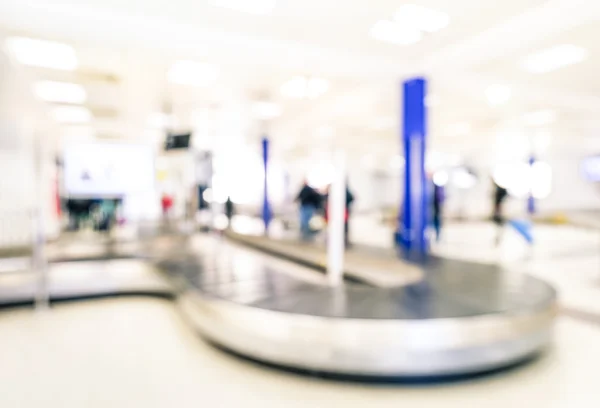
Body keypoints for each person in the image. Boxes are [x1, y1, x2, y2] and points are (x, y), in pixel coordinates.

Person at [492, 180, 509, 246]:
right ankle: (498, 239)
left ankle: (498, 239)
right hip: (498, 212)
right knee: (500, 228)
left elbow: (498, 205)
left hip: (498, 213)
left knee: (500, 227)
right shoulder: (500, 192)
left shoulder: (499, 192)